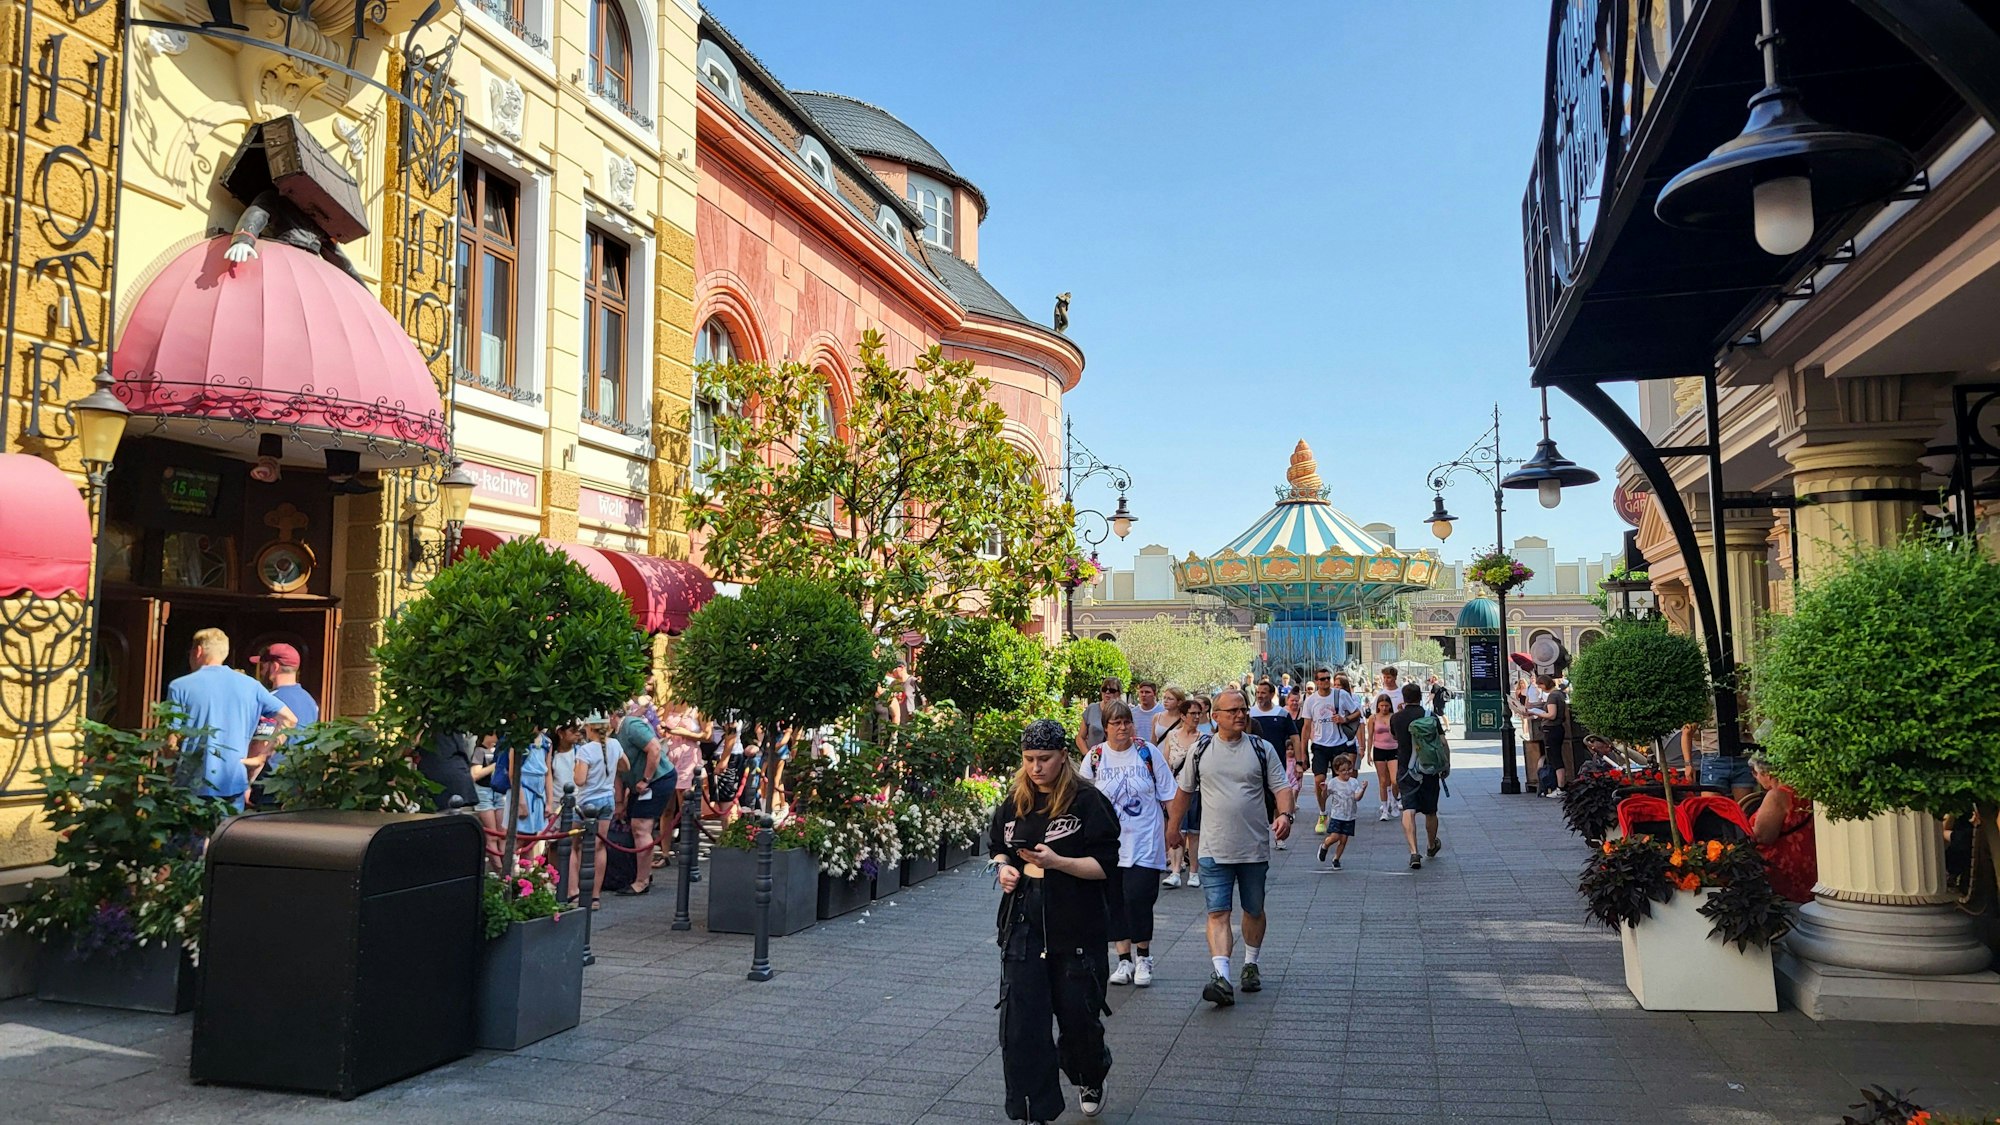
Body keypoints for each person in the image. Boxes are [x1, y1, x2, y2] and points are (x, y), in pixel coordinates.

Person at [990, 718, 1120, 1123]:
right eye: (1028, 759)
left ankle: (1089, 1072)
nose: (1035, 767)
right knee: (1021, 1024)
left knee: (1078, 1017)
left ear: (1064, 756)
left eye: (1044, 758)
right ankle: (1033, 1110)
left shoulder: (1087, 800)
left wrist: (1058, 862)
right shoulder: (1015, 800)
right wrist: (1003, 869)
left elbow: (1105, 866)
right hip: (1024, 920)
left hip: (1074, 920)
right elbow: (1000, 847)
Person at [1165, 687, 1296, 1007]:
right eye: (1233, 710)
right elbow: (1183, 792)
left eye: (1243, 709)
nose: (1241, 715)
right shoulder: (1201, 750)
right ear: (1217, 717)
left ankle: (1250, 964)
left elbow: (1281, 788)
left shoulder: (1262, 748)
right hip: (1212, 848)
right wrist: (1172, 828)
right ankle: (1221, 975)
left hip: (1253, 847)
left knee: (1253, 909)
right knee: (1218, 911)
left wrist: (1285, 816)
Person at [1079, 701, 1176, 989]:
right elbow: (1083, 799)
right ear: (1105, 727)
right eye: (1116, 723)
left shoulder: (1147, 753)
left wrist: (1174, 829)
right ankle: (1124, 959)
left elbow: (1169, 792)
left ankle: (1144, 956)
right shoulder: (1095, 758)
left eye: (1127, 722)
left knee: (1138, 899)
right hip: (1108, 847)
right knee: (1114, 902)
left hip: (1145, 841)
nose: (1123, 728)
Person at [166, 628, 296, 809]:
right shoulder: (252, 686)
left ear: (198, 652)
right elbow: (289, 719)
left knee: (188, 836)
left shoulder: (180, 686)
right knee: (226, 836)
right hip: (233, 781)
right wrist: (262, 757)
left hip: (190, 783)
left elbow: (172, 739)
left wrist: (167, 775)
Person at [614, 712, 675, 896]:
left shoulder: (631, 726)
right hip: (636, 785)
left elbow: (655, 749)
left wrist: (646, 780)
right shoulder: (610, 736)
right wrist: (619, 802)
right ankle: (640, 873)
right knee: (634, 825)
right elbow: (618, 771)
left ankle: (642, 881)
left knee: (641, 827)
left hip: (657, 780)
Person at [570, 714, 624, 908]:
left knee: (571, 844)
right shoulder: (615, 745)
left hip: (587, 801)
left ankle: (573, 892)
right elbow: (625, 765)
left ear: (589, 727)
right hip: (607, 799)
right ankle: (595, 897)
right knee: (599, 846)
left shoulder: (585, 750)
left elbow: (579, 780)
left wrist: (577, 768)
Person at [1300, 667, 1362, 834]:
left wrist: (1344, 719)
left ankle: (1339, 813)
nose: (1326, 681)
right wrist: (1303, 752)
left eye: (1328, 678)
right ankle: (1322, 813)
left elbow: (1357, 713)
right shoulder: (1311, 700)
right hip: (1320, 745)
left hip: (1339, 743)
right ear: (1317, 681)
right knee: (1319, 780)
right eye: (1322, 679)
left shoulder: (1340, 695)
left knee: (1340, 781)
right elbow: (1306, 727)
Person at [1748, 754, 1816, 903]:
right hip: (1808, 859)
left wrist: (1747, 830)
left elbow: (1763, 836)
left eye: (1756, 772)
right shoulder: (1803, 790)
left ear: (1767, 773)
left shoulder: (1776, 795)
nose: (1755, 777)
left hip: (1782, 864)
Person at [1393, 684, 1447, 869]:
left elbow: (1395, 739)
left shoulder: (1397, 718)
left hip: (1406, 769)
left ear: (1404, 697)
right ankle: (1431, 845)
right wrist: (1446, 764)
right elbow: (1442, 741)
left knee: (1408, 809)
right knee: (1431, 810)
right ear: (1420, 696)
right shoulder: (1431, 717)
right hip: (1429, 767)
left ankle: (1414, 852)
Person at [1154, 688, 1201, 889]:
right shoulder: (1172, 736)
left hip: (1197, 790)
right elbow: (1165, 762)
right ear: (1183, 716)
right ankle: (1174, 870)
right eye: (1193, 714)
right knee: (1175, 830)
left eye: (1199, 714)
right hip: (1175, 790)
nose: (1197, 717)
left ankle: (1193, 872)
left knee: (1194, 832)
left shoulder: (1203, 739)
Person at [1247, 680, 1300, 847]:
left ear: (1272, 694)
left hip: (1276, 762)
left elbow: (1295, 737)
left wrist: (1300, 761)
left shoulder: (1282, 714)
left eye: (1264, 692)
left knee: (1278, 796)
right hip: (1253, 763)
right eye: (1258, 692)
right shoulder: (1250, 714)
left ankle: (1279, 834)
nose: (1260, 695)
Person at [1315, 754, 1367, 868]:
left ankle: (1336, 859)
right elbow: (1324, 797)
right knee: (1335, 836)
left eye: (1349, 769)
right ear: (1337, 771)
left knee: (1343, 840)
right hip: (1337, 815)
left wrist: (1363, 789)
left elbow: (1357, 797)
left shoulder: (1353, 782)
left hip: (1350, 815)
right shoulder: (1333, 782)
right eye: (1343, 770)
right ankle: (1325, 846)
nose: (1347, 772)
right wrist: (1323, 790)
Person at [1363, 694, 1402, 822]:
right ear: (1378, 706)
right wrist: (1368, 753)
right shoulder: (1373, 718)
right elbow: (1370, 736)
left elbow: (1399, 734)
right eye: (1381, 706)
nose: (1384, 708)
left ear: (1390, 705)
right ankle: (1385, 808)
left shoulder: (1394, 717)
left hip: (1393, 749)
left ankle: (1394, 801)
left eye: (1386, 705)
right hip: (1379, 750)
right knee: (1383, 781)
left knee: (1395, 779)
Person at [1531, 673, 1570, 798]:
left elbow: (1551, 715)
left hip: (1551, 729)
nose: (1540, 688)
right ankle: (1559, 786)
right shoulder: (1559, 694)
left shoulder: (1553, 696)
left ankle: (1560, 787)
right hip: (1557, 729)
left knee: (1555, 758)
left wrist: (1537, 713)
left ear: (1545, 684)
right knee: (1556, 757)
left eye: (1540, 685)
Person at [1075, 678, 1122, 755]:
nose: (1107, 692)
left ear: (1118, 693)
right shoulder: (1092, 709)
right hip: (1093, 758)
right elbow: (1080, 738)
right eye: (1104, 689)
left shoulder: (1123, 712)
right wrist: (1088, 756)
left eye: (1112, 690)